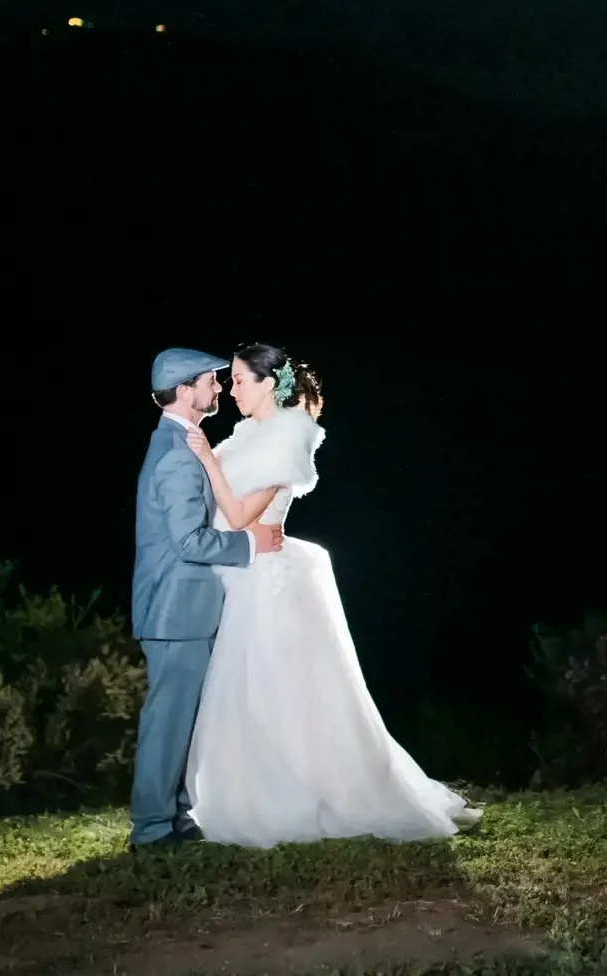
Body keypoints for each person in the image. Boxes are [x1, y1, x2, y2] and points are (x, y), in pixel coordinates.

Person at [182, 342, 480, 844]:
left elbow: (239, 517)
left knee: (279, 693)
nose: (232, 390)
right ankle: (247, 790)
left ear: (269, 382)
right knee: (250, 694)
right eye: (230, 381)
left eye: (239, 380)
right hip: (241, 573)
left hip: (265, 580)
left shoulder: (287, 437)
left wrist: (209, 461)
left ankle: (296, 796)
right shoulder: (246, 434)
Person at [129, 348, 285, 851]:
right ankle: (152, 829)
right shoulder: (175, 454)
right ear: (183, 390)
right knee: (168, 719)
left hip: (181, 610)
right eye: (210, 381)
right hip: (175, 611)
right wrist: (250, 543)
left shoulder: (180, 444)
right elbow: (187, 542)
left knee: (181, 719)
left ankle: (173, 816)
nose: (218, 388)